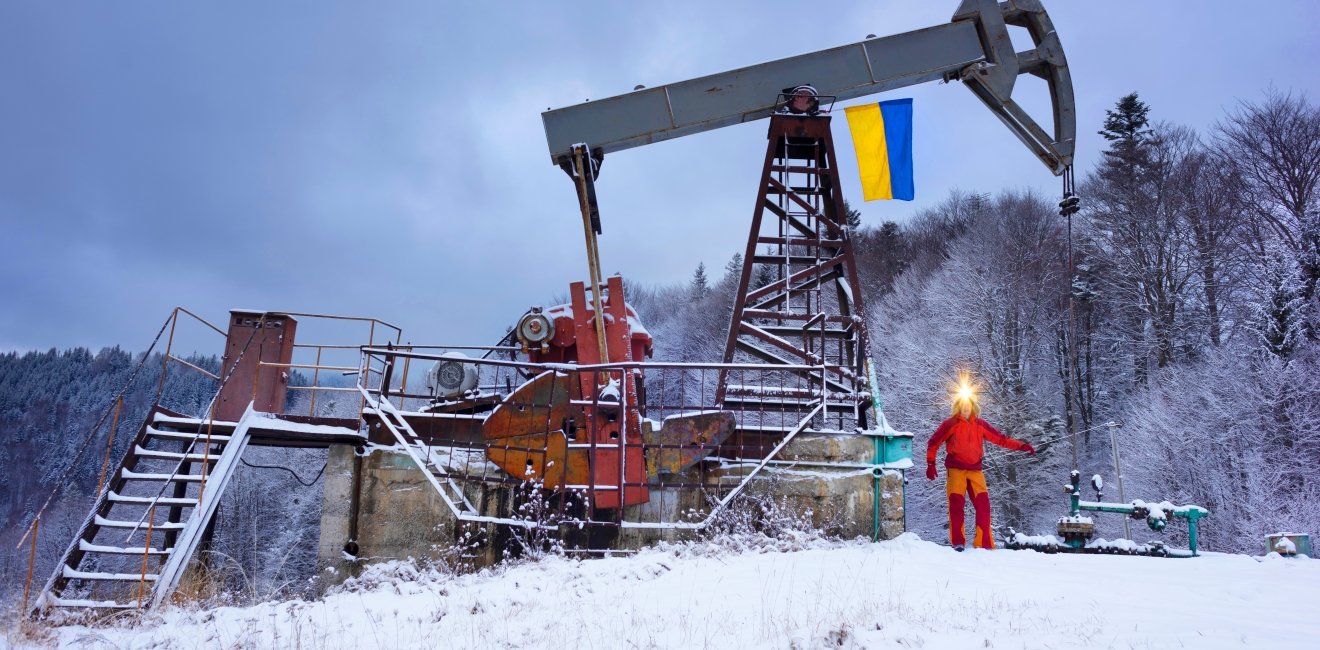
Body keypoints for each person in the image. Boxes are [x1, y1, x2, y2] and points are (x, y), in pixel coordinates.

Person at [926, 392, 1035, 550]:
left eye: (968, 404)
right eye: (962, 405)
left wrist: (1022, 446)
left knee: (983, 504)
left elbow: (1001, 439)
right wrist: (931, 463)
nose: (965, 407)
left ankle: (983, 543)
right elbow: (933, 442)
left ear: (972, 406)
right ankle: (958, 542)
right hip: (956, 469)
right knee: (956, 505)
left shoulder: (980, 424)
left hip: (975, 470)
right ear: (958, 407)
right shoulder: (951, 424)